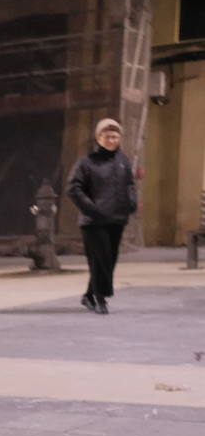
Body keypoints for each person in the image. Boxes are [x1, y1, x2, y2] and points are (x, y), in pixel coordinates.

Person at [68, 119, 137, 315]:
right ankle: (100, 298)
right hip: (94, 222)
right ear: (98, 138)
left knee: (109, 260)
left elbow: (129, 184)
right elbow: (73, 188)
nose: (112, 140)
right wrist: (91, 209)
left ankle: (89, 296)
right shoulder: (87, 163)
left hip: (117, 219)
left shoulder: (123, 161)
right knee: (100, 259)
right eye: (107, 137)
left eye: (115, 137)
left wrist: (131, 201)